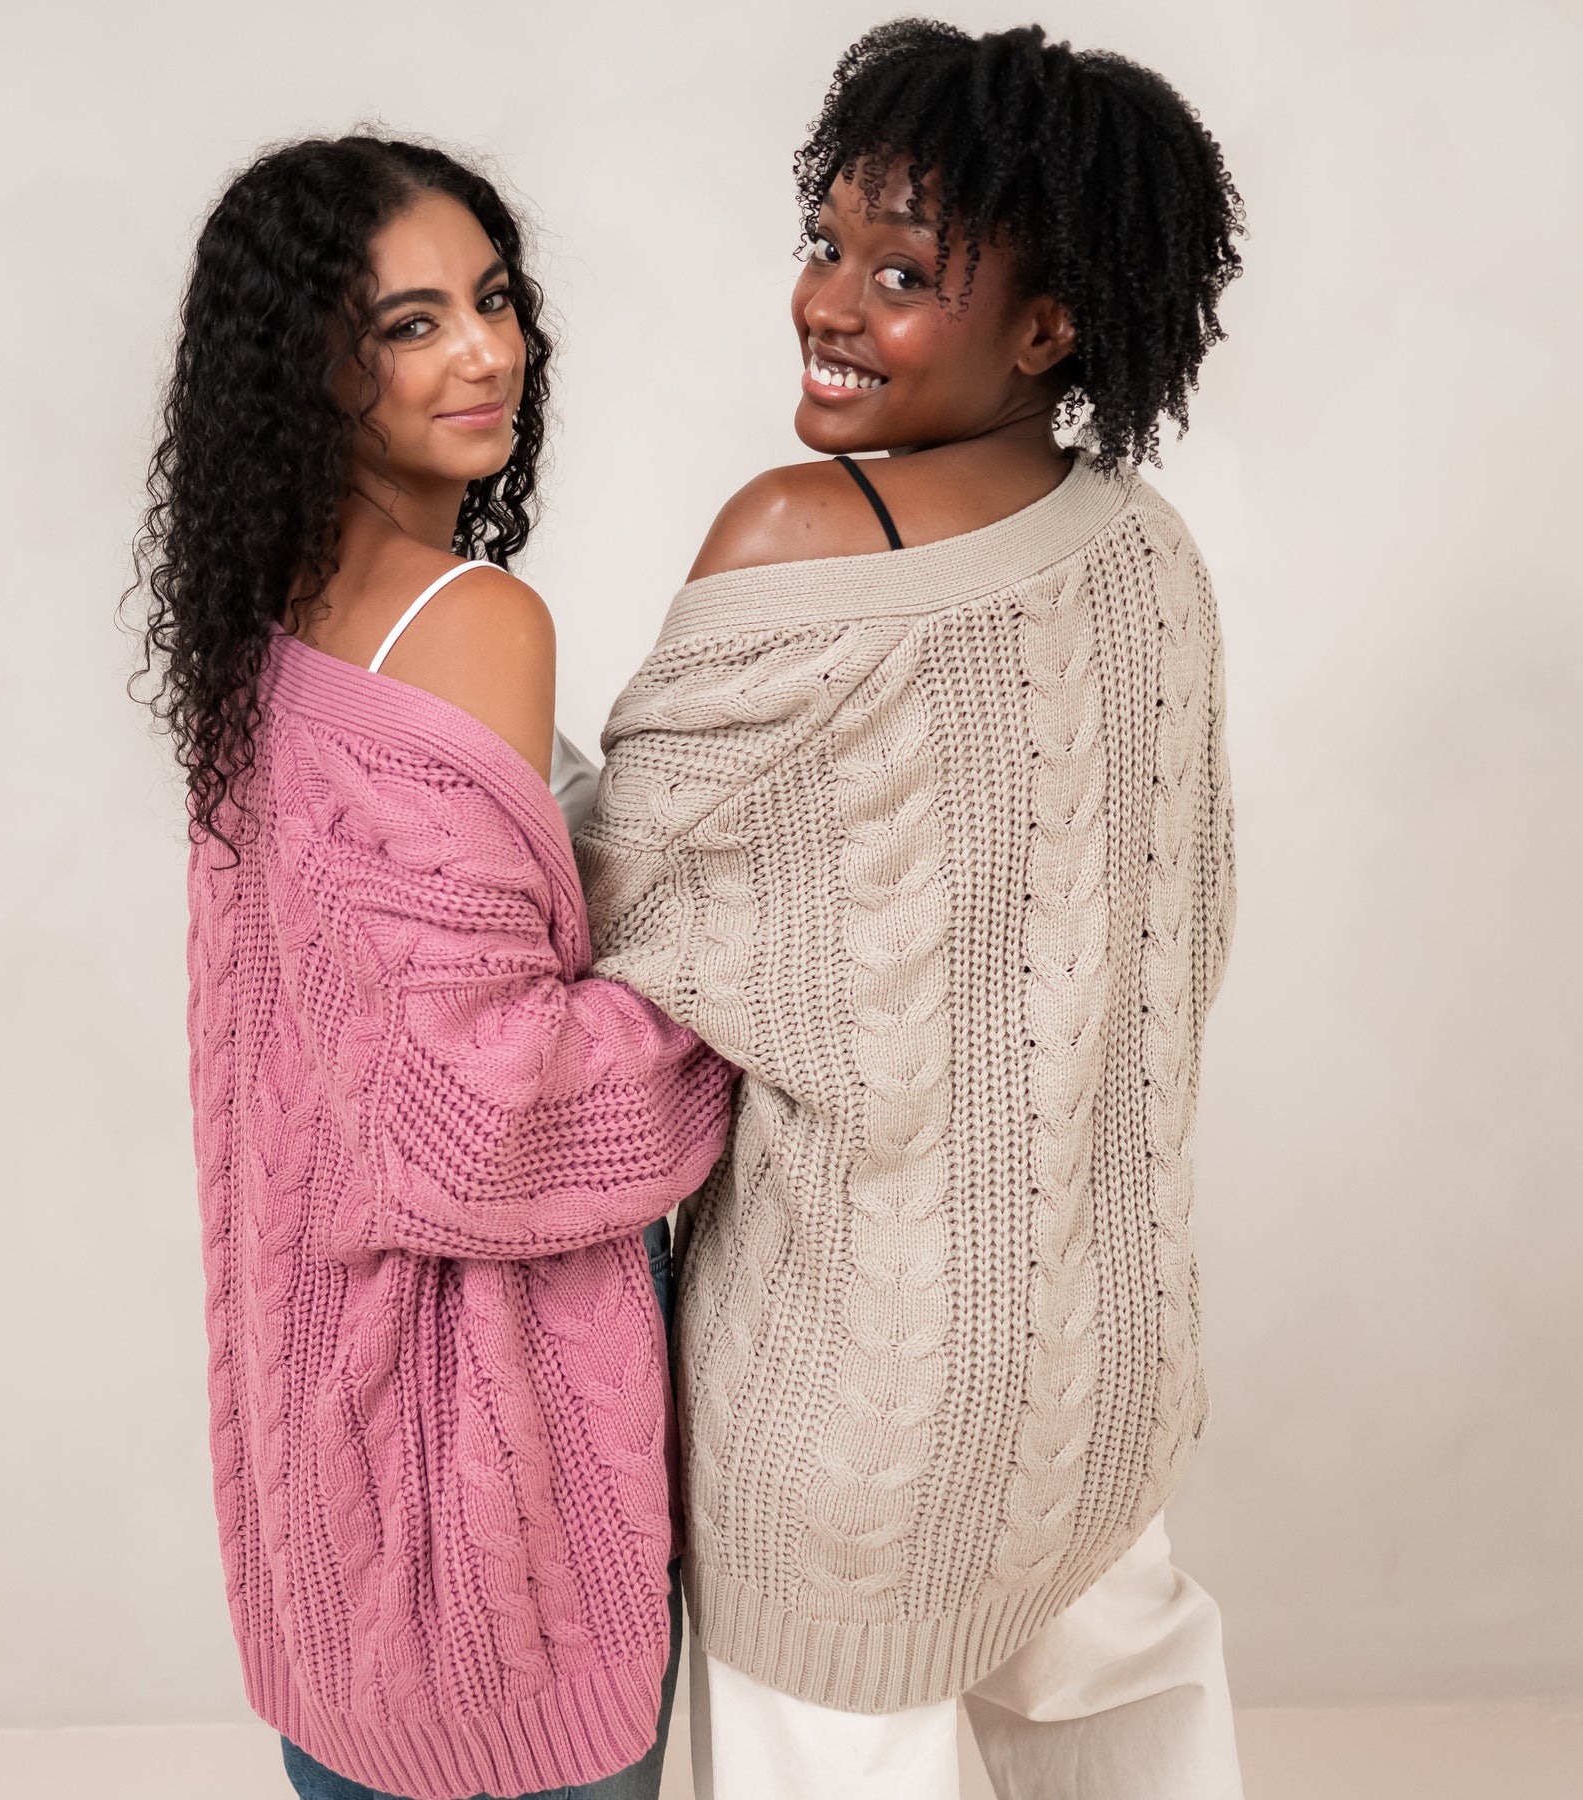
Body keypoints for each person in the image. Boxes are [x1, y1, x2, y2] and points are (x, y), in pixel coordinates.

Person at [576, 22, 1245, 1800]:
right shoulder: (1149, 554)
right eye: (827, 242)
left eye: (903, 273)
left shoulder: (803, 534)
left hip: (855, 1401)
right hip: (1106, 1363)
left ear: (1052, 325)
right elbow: (1183, 935)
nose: (831, 303)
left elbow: (608, 899)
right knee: (1135, 1754)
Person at [129, 132, 735, 1800]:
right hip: (488, 1427)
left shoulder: (261, 624)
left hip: (321, 1434)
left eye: (491, 298)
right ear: (308, 370)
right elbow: (481, 1114)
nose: (486, 351)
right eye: (410, 324)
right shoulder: (470, 615)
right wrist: (741, 1001)